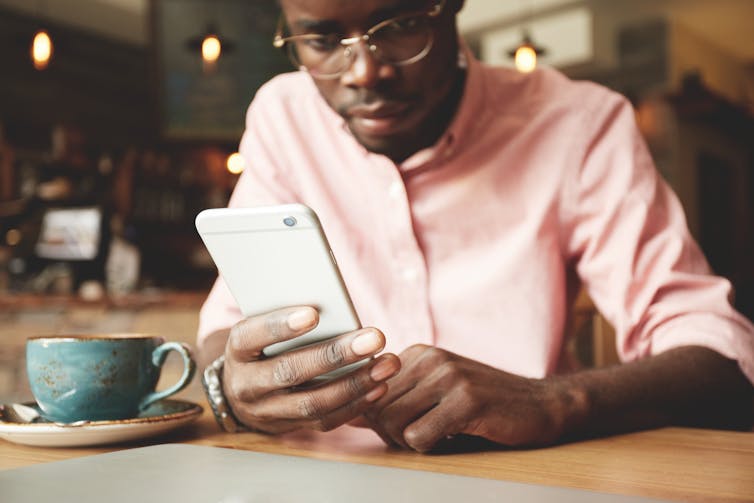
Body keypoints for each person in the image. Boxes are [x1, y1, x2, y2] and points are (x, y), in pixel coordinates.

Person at [197, 0, 754, 452]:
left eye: (402, 25)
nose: (364, 72)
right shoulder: (282, 116)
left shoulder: (579, 124)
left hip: (531, 478)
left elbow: (721, 358)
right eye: (320, 42)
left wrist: (553, 403)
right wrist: (232, 388)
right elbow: (224, 337)